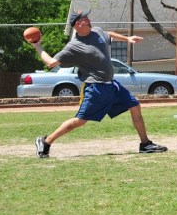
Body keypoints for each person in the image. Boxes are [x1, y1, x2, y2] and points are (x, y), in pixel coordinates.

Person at [30, 10, 168, 158]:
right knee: (80, 120)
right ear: (78, 23)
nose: (89, 19)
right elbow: (51, 63)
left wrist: (127, 39)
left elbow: (109, 34)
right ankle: (46, 142)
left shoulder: (97, 31)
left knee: (135, 106)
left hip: (112, 85)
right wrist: (38, 46)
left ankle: (145, 144)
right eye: (86, 18)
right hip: (95, 88)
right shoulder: (74, 46)